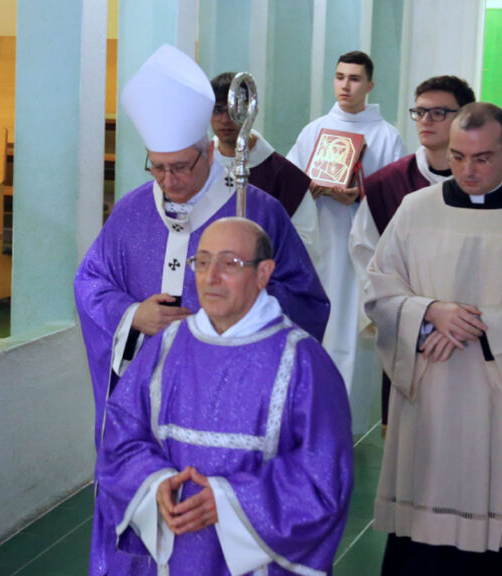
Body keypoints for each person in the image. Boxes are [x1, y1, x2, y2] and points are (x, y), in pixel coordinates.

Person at [76, 44, 330, 576]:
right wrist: (132, 315)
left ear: (210, 153)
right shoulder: (132, 212)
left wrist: (233, 324)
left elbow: (306, 299)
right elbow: (91, 280)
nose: (168, 181)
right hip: (152, 401)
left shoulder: (255, 212)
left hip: (232, 405)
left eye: (180, 167)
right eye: (158, 168)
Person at [366, 103, 502, 575]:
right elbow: (380, 289)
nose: (468, 170)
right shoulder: (415, 210)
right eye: (458, 156)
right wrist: (431, 313)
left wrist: (481, 325)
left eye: (483, 158)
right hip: (435, 391)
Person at [97, 217, 353, 575]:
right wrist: (154, 483)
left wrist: (231, 502)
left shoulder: (304, 363)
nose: (210, 277)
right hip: (174, 550)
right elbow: (121, 435)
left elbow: (323, 478)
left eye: (229, 263)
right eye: (202, 262)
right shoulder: (164, 349)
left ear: (263, 273)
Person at [286, 50, 404, 434]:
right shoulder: (314, 131)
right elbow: (288, 184)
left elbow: (398, 199)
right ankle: (307, 418)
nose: (345, 86)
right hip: (319, 247)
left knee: (350, 335)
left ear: (370, 85)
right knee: (315, 332)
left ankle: (344, 424)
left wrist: (361, 196)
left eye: (354, 79)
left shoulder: (387, 136)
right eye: (339, 77)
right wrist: (309, 189)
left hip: (358, 254)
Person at [348, 75, 476, 430]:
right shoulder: (386, 184)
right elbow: (366, 257)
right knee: (410, 439)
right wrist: (414, 315)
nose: (426, 121)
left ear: (465, 116)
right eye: (419, 112)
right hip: (411, 333)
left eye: (439, 112)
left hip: (472, 331)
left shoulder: (484, 184)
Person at [209, 72, 320, 272]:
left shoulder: (286, 177)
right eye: (218, 110)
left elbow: (307, 247)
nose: (226, 119)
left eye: (236, 109)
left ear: (252, 111)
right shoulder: (199, 168)